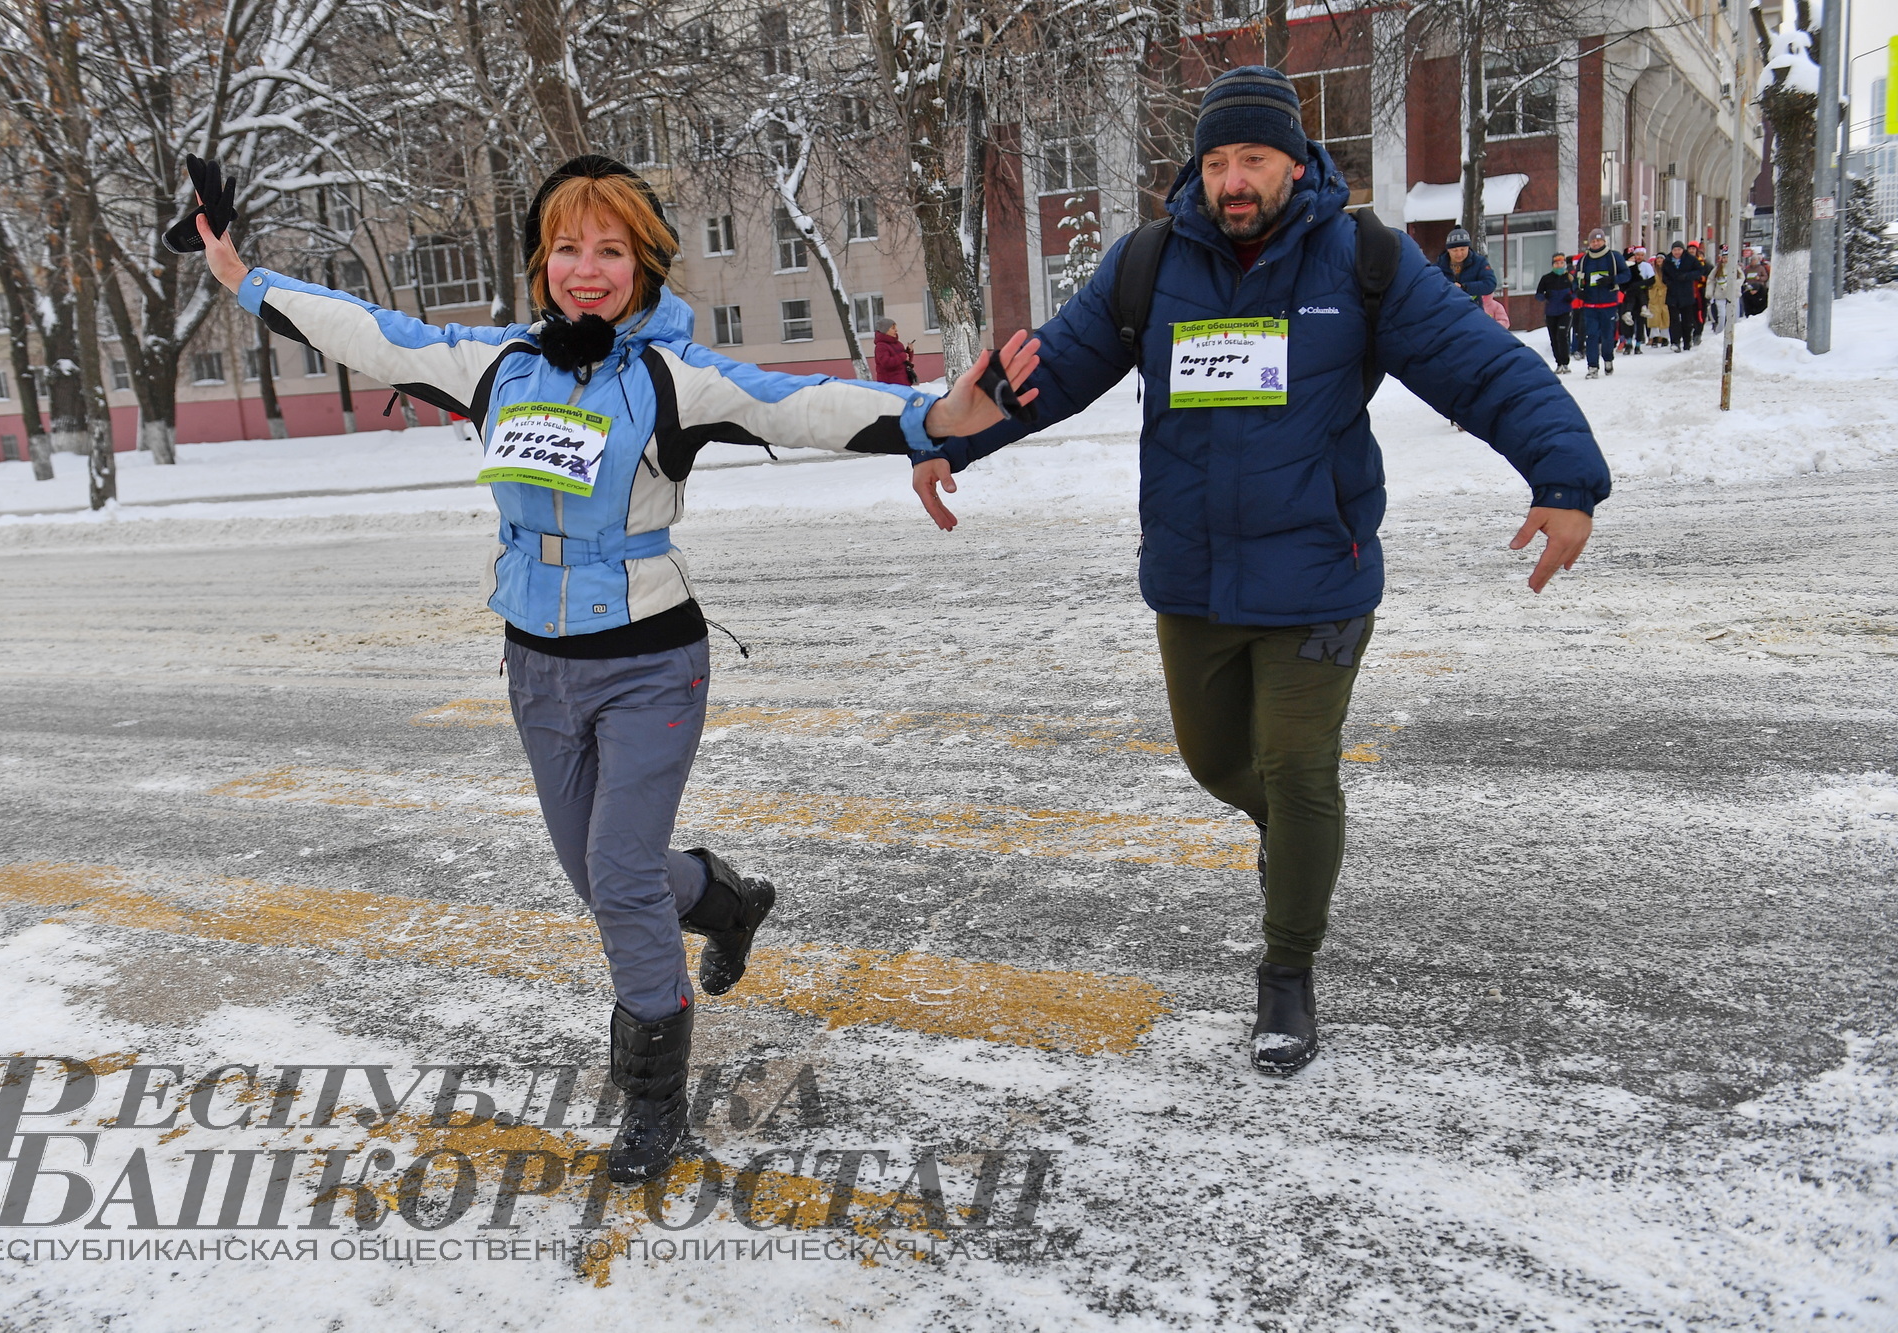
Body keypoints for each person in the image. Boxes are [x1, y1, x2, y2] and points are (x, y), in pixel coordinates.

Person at [188, 154, 1037, 1182]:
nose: (585, 269)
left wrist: (927, 419)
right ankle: (727, 902)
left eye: (610, 249)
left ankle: (652, 1102)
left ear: (645, 264)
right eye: (565, 248)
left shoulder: (671, 379)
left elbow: (793, 403)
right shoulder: (498, 366)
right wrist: (241, 274)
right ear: (541, 262)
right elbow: (369, 331)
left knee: (624, 880)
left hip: (648, 661)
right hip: (535, 664)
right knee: (601, 878)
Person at [908, 65, 1609, 1078]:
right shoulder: (1148, 265)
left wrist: (1563, 475)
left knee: (1295, 764)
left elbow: (1481, 365)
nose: (1232, 181)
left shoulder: (1361, 259)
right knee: (1216, 764)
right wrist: (946, 442)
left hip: (1320, 572)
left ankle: (1286, 969)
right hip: (1191, 579)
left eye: (1252, 159)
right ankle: (1300, 848)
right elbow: (1044, 373)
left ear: (1294, 160)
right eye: (1217, 160)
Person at [1572, 227, 1631, 376]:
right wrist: (1578, 291)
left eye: (1598, 240)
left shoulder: (1614, 257)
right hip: (1590, 304)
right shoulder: (1584, 260)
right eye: (1593, 241)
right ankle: (1592, 367)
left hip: (1609, 303)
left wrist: (1612, 280)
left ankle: (1608, 359)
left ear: (1604, 241)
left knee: (1607, 335)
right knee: (1591, 335)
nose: (1596, 243)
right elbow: (1576, 280)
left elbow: (1627, 275)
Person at [1535, 252, 1575, 373]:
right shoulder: (1546, 278)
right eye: (1557, 263)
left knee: (1562, 335)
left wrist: (1571, 297)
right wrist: (1545, 296)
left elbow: (1577, 291)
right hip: (1551, 312)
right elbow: (1538, 295)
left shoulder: (1570, 278)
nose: (1559, 265)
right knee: (1554, 338)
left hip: (1565, 311)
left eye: (1561, 263)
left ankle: (1565, 363)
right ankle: (1559, 363)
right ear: (1553, 265)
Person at [1434, 226, 1498, 299]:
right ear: (1448, 250)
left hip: (1472, 308)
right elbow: (1430, 287)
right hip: (1447, 308)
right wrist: (1448, 288)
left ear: (1468, 248)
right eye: (1455, 250)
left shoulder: (1479, 262)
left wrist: (1465, 288)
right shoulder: (1438, 267)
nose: (1459, 254)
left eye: (1462, 249)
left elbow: (1490, 284)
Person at [1663, 243, 1703, 351]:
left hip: (1686, 293)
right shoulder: (1667, 260)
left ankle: (1687, 341)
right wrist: (1668, 282)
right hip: (1672, 293)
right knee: (1674, 319)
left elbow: (1699, 270)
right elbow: (1664, 275)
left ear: (1682, 250)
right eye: (1674, 250)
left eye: (1679, 250)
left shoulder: (1690, 259)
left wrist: (1687, 276)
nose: (1676, 252)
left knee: (1687, 320)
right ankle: (1675, 342)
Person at [872, 316, 916, 385]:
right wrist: (903, 356)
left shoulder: (898, 344)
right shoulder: (881, 346)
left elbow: (904, 362)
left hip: (903, 382)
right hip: (890, 385)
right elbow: (886, 363)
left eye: (895, 327)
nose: (896, 330)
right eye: (893, 328)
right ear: (885, 330)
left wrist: (909, 352)